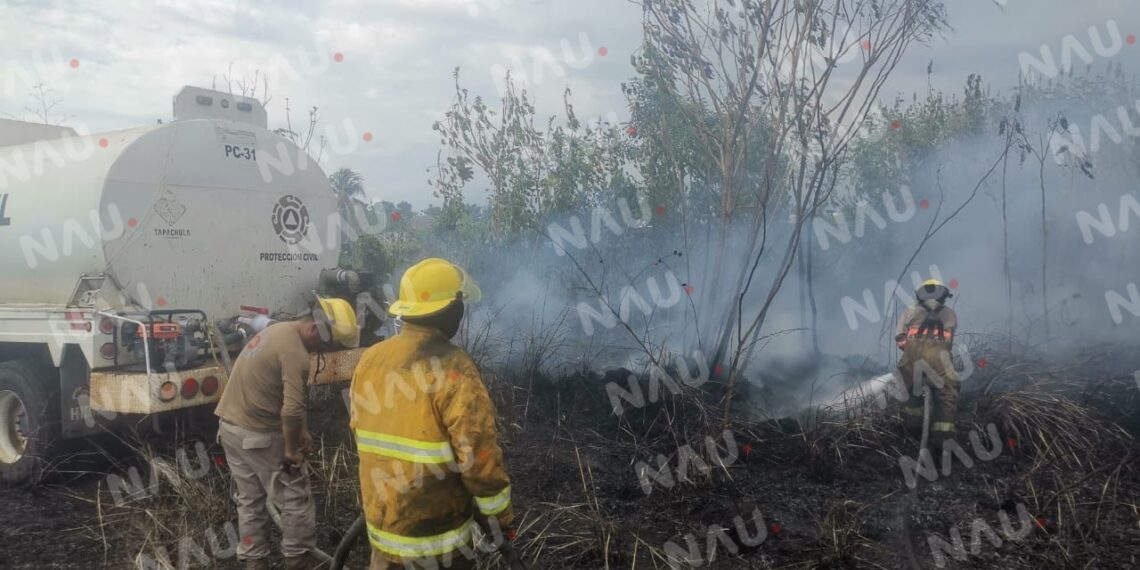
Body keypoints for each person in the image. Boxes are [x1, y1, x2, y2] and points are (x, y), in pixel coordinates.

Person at [350, 258, 516, 570]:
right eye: (460, 304)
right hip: (438, 546)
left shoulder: (371, 359)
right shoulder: (455, 369)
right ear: (450, 310)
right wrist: (501, 519)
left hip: (384, 537)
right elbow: (479, 458)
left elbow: (360, 428)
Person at [216, 297, 360, 570]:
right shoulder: (296, 353)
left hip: (230, 429)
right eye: (325, 343)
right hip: (259, 434)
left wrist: (302, 429)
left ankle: (253, 562)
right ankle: (299, 560)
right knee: (295, 498)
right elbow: (291, 410)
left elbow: (285, 395)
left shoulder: (277, 330)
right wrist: (291, 450)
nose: (323, 349)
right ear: (315, 329)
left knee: (250, 502)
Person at [895, 279, 960, 447]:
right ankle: (942, 440)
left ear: (920, 296)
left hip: (913, 356)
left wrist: (913, 356)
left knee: (908, 390)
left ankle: (911, 433)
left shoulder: (909, 312)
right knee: (947, 393)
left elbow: (900, 341)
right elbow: (949, 342)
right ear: (943, 296)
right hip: (940, 358)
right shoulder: (950, 314)